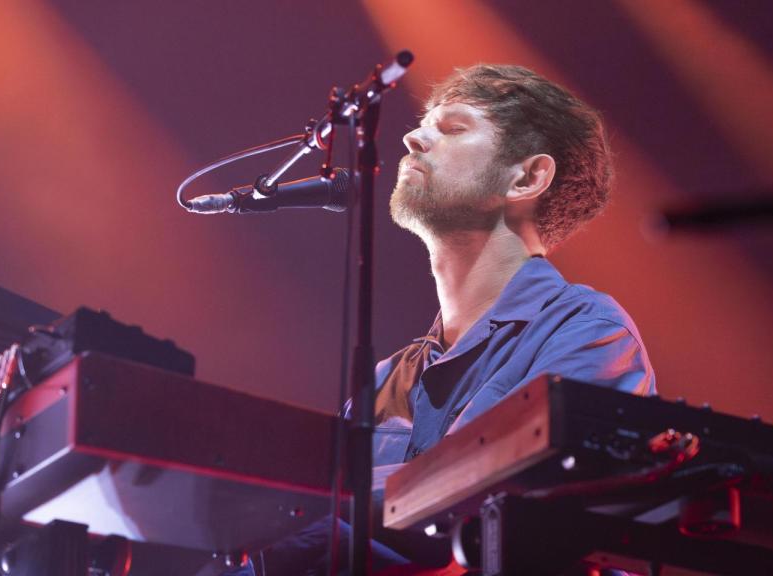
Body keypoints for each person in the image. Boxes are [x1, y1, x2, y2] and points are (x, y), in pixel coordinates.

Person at [229, 63, 655, 575]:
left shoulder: (587, 330)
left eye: (452, 128)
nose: (412, 137)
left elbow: (485, 507)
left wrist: (269, 512)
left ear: (528, 176)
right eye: (423, 125)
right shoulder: (385, 380)